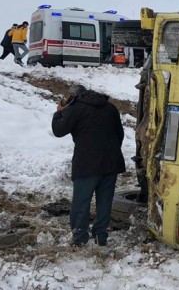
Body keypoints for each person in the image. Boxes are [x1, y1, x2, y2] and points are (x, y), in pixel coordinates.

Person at [51, 85, 126, 247]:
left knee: (81, 203)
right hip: (111, 163)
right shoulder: (110, 108)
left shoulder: (76, 108)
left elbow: (58, 130)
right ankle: (101, 237)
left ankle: (79, 239)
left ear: (74, 96)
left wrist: (59, 112)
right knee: (104, 202)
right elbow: (120, 134)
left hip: (87, 164)